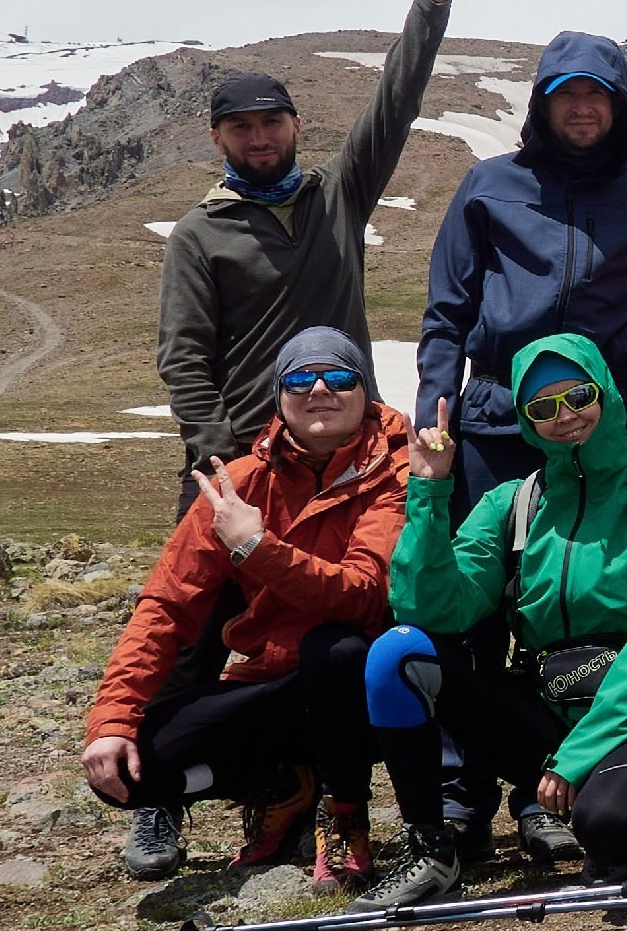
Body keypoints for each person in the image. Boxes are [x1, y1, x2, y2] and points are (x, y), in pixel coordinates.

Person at [356, 335, 627, 910]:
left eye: (578, 396)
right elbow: (430, 608)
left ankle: (605, 815)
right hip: (547, 716)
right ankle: (430, 846)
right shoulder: (511, 504)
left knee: (605, 826)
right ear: (525, 422)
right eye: (542, 408)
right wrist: (428, 490)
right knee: (398, 653)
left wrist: (579, 756)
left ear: (607, 393)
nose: (565, 417)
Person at [85, 328, 404, 884]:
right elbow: (165, 606)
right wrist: (113, 718)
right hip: (272, 683)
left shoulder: (398, 474)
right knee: (130, 768)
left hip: (366, 694)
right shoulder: (237, 485)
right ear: (280, 396)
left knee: (339, 647)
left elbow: (362, 595)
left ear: (366, 392)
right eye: (301, 379)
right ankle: (283, 785)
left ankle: (344, 811)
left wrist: (257, 548)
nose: (319, 390)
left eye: (340, 377)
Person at [157, 0, 452, 502]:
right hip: (247, 458)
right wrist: (220, 457)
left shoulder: (338, 194)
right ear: (217, 139)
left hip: (351, 453)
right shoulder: (198, 235)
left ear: (296, 126)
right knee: (215, 593)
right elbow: (184, 357)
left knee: (362, 587)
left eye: (272, 122)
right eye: (242, 128)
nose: (259, 137)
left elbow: (396, 101)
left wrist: (432, 2)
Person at [419, 31, 627, 507]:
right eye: (565, 93)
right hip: (496, 423)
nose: (581, 107)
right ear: (541, 103)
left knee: (601, 578)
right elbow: (447, 314)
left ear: (619, 103)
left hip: (606, 429)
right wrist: (432, 420)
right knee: (484, 571)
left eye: (595, 93)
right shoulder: (488, 184)